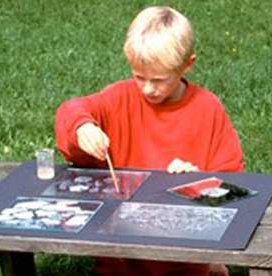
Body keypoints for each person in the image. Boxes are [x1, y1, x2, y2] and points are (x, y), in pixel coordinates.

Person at [55, 6, 243, 276]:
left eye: (159, 80)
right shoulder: (119, 97)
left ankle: (213, 267)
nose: (147, 89)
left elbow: (233, 183)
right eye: (139, 76)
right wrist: (83, 127)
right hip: (120, 257)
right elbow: (71, 110)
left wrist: (195, 181)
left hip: (184, 258)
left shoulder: (207, 108)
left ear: (187, 64)